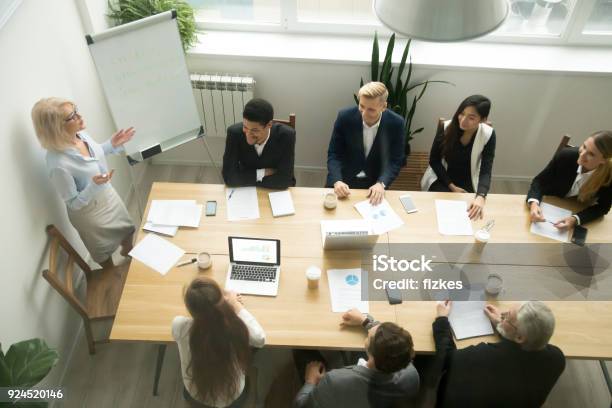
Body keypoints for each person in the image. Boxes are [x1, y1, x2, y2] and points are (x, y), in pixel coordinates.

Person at [31, 97, 135, 268]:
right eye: (72, 116)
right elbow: (73, 203)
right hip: (89, 214)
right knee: (102, 250)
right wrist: (94, 185)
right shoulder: (58, 164)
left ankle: (128, 252)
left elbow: (95, 156)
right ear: (57, 127)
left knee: (128, 230)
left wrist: (111, 144)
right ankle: (112, 274)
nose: (80, 116)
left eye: (76, 110)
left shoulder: (80, 135)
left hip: (107, 195)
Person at [432, 300, 565, 408]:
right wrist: (503, 326)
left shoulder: (477, 357)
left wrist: (441, 319)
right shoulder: (557, 359)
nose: (502, 315)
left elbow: (447, 358)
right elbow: (520, 348)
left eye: (507, 317)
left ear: (519, 337)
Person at [294, 308, 419, 408]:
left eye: (370, 336)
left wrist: (310, 382)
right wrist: (365, 321)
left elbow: (301, 405)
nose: (372, 328)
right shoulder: (412, 376)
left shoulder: (335, 381)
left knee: (301, 350)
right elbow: (393, 345)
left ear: (370, 350)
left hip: (347, 393)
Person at [172, 277, 266, 407]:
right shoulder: (233, 329)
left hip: (195, 396)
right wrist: (236, 305)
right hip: (231, 399)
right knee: (253, 351)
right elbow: (260, 339)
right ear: (222, 305)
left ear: (191, 310)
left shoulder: (179, 326)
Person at [326, 82, 406, 205]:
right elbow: (334, 153)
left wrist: (381, 183)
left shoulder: (396, 124)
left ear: (383, 107)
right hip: (343, 180)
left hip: (375, 184)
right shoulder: (344, 117)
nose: (363, 113)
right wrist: (337, 181)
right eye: (361, 106)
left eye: (371, 110)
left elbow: (396, 160)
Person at [421, 95, 496, 220]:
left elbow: (486, 170)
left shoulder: (488, 134)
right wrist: (452, 186)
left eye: (471, 118)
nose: (463, 120)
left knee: (471, 214)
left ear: (482, 120)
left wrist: (481, 196)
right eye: (462, 113)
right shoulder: (446, 127)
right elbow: (434, 160)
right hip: (443, 178)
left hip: (469, 180)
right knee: (440, 213)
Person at [527, 130, 612, 228]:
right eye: (584, 146)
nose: (582, 155)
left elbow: (603, 208)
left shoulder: (608, 177)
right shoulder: (566, 156)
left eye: (591, 154)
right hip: (549, 202)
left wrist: (575, 219)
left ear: (603, 160)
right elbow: (539, 181)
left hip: (575, 208)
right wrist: (534, 204)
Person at [222, 98, 296, 190]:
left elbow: (284, 181)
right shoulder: (234, 133)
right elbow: (229, 178)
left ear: (269, 125)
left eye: (254, 130)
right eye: (245, 127)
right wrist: (261, 173)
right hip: (246, 192)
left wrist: (245, 178)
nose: (248, 135)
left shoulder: (287, 135)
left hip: (275, 192)